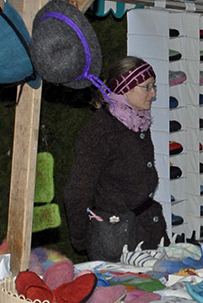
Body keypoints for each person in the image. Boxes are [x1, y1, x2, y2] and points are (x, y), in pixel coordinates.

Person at [65, 57, 167, 262]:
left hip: (148, 231)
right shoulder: (101, 131)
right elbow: (77, 191)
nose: (153, 93)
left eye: (153, 86)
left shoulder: (137, 121)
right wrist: (84, 238)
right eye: (147, 87)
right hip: (116, 241)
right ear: (125, 88)